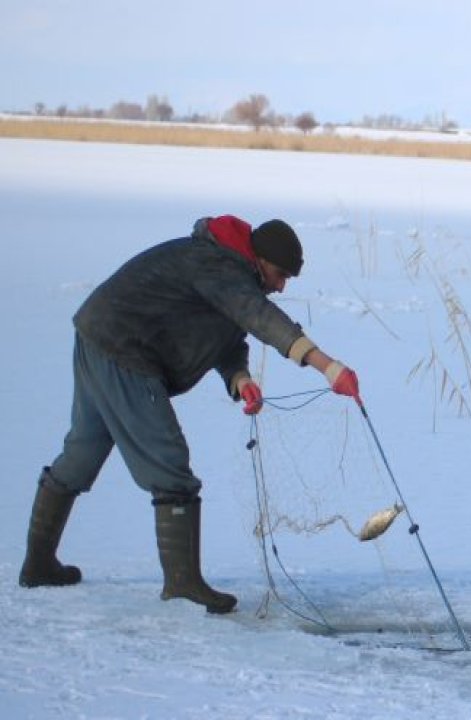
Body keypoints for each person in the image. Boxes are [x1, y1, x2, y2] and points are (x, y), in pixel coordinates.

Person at [19, 216, 362, 614]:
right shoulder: (218, 265)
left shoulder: (230, 272)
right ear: (260, 259)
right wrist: (329, 367)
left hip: (98, 335)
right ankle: (182, 585)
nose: (282, 285)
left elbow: (230, 335)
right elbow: (259, 318)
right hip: (124, 348)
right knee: (170, 467)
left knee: (81, 454)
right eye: (281, 274)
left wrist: (239, 379)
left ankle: (38, 564)